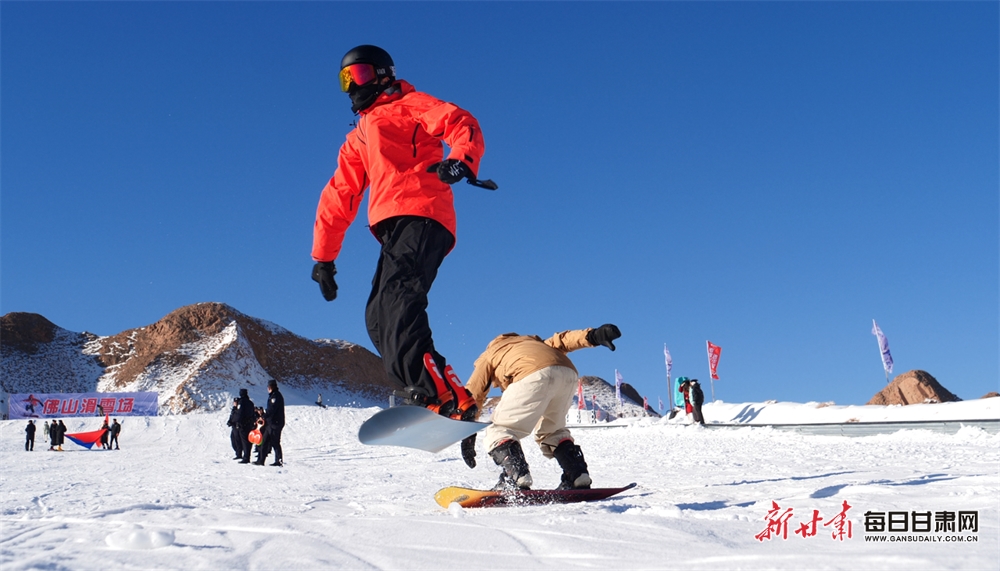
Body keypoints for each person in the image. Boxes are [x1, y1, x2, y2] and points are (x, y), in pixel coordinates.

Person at [311, 44, 486, 421]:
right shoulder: (360, 136)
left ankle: (447, 397)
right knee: (377, 316)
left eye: (359, 75)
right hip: (394, 228)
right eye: (346, 79)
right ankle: (430, 394)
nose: (353, 86)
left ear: (383, 74)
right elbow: (340, 193)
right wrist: (324, 258)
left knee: (398, 302)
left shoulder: (411, 103)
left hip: (424, 214)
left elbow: (461, 122)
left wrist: (460, 160)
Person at [461, 324, 622, 491]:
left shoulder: (490, 354)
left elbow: (474, 394)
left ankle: (515, 476)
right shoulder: (535, 343)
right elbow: (564, 340)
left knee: (500, 429)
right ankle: (577, 475)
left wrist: (467, 432)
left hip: (531, 374)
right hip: (567, 374)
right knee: (553, 431)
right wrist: (594, 335)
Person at [255, 379, 285, 467]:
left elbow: (272, 410)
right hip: (270, 423)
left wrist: (263, 416)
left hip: (275, 423)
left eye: (268, 387)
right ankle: (261, 460)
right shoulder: (273, 396)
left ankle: (278, 461)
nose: (267, 389)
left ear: (270, 387)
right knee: (264, 442)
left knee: (275, 442)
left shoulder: (275, 397)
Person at [237, 388, 256, 464]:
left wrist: (238, 422)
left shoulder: (241, 402)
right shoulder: (251, 403)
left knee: (244, 441)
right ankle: (248, 455)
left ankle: (246, 457)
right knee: (249, 441)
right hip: (250, 424)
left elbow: (240, 413)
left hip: (243, 424)